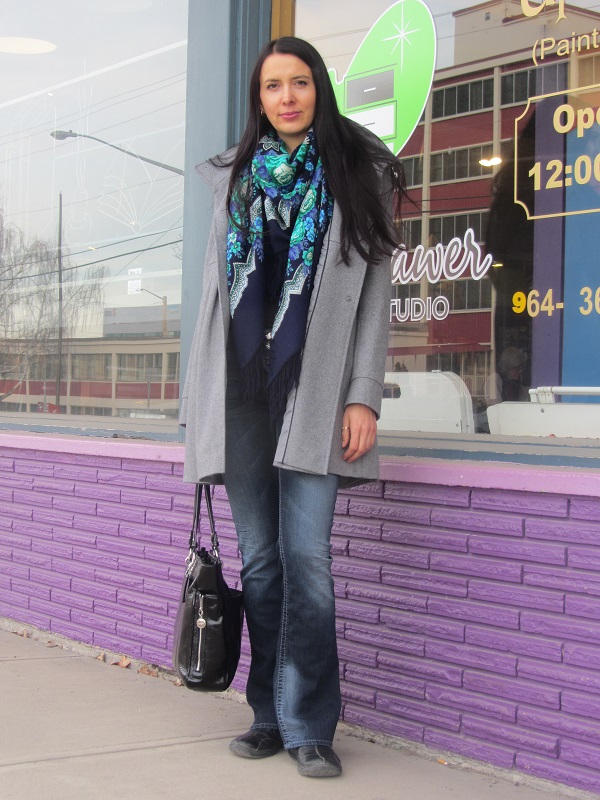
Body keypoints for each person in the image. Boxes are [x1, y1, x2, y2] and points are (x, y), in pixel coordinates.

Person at [180, 36, 406, 779]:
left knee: (308, 562)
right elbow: (213, 299)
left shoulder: (357, 173)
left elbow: (375, 298)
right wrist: (197, 403)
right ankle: (267, 715)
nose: (286, 97)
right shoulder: (235, 177)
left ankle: (310, 724)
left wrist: (363, 396)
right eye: (273, 85)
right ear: (259, 98)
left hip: (317, 394)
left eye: (299, 82)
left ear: (319, 90)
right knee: (262, 562)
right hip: (243, 395)